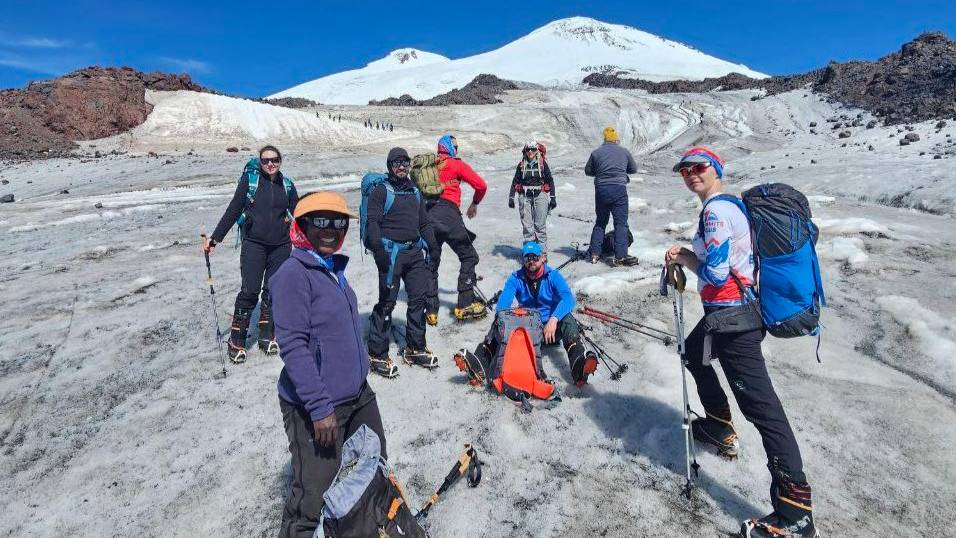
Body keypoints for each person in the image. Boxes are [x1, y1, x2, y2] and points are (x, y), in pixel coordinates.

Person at [664, 147, 819, 538]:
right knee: (693, 354)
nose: (691, 174)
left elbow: (715, 273)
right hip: (726, 317)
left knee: (765, 412)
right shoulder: (730, 207)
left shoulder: (716, 212)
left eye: (699, 167)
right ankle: (718, 425)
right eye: (685, 170)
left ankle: (796, 514)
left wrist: (684, 256)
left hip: (734, 323)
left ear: (716, 170)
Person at [270, 191, 387, 538]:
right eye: (320, 221)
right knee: (313, 496)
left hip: (359, 397)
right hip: (317, 407)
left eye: (338, 222)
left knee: (370, 470)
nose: (330, 229)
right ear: (302, 225)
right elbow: (292, 345)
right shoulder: (293, 273)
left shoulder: (331, 268)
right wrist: (320, 407)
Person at [206, 145, 298, 363]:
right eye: (265, 161)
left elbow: (299, 213)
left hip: (281, 246)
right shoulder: (250, 182)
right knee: (249, 292)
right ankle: (236, 340)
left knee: (273, 291)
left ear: (280, 160)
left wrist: (321, 233)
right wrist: (215, 238)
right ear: (260, 162)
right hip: (254, 245)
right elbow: (233, 209)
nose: (270, 164)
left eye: (274, 159)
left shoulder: (287, 185)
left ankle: (267, 335)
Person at [465, 241, 597, 387]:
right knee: (499, 321)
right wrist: (503, 319)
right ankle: (479, 363)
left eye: (535, 257)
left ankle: (579, 367)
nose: (531, 261)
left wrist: (554, 319)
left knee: (567, 319)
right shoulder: (516, 278)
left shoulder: (553, 276)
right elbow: (503, 305)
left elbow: (568, 299)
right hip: (529, 328)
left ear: (543, 258)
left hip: (551, 330)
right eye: (527, 258)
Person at [365, 147, 440, 377]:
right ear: (389, 166)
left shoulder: (415, 191)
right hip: (391, 255)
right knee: (387, 302)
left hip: (415, 252)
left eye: (405, 162)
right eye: (396, 163)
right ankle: (377, 352)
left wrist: (433, 246)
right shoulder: (381, 191)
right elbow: (373, 223)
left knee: (418, 300)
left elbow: (424, 223)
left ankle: (415, 347)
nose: (401, 167)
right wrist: (379, 252)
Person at [425, 134, 488, 323]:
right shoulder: (456, 164)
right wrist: (474, 204)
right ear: (449, 147)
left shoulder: (427, 166)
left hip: (428, 216)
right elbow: (481, 185)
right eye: (455, 146)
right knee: (469, 257)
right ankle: (464, 304)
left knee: (431, 264)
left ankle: (431, 312)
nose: (457, 149)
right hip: (449, 215)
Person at [584, 127, 639, 267]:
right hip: (619, 190)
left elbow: (588, 171)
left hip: (601, 190)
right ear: (616, 139)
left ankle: (595, 254)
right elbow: (634, 169)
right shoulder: (624, 152)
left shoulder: (596, 153)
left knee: (601, 222)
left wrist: (601, 172)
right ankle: (620, 256)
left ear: (604, 139)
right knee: (620, 223)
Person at [509, 141, 556, 250]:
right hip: (524, 196)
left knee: (540, 227)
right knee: (527, 228)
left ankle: (542, 255)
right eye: (528, 149)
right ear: (525, 151)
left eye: (533, 149)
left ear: (537, 151)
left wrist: (553, 198)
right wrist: (511, 197)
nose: (530, 151)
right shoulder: (521, 165)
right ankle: (529, 255)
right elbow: (515, 181)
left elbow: (550, 180)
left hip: (540, 195)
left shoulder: (542, 163)